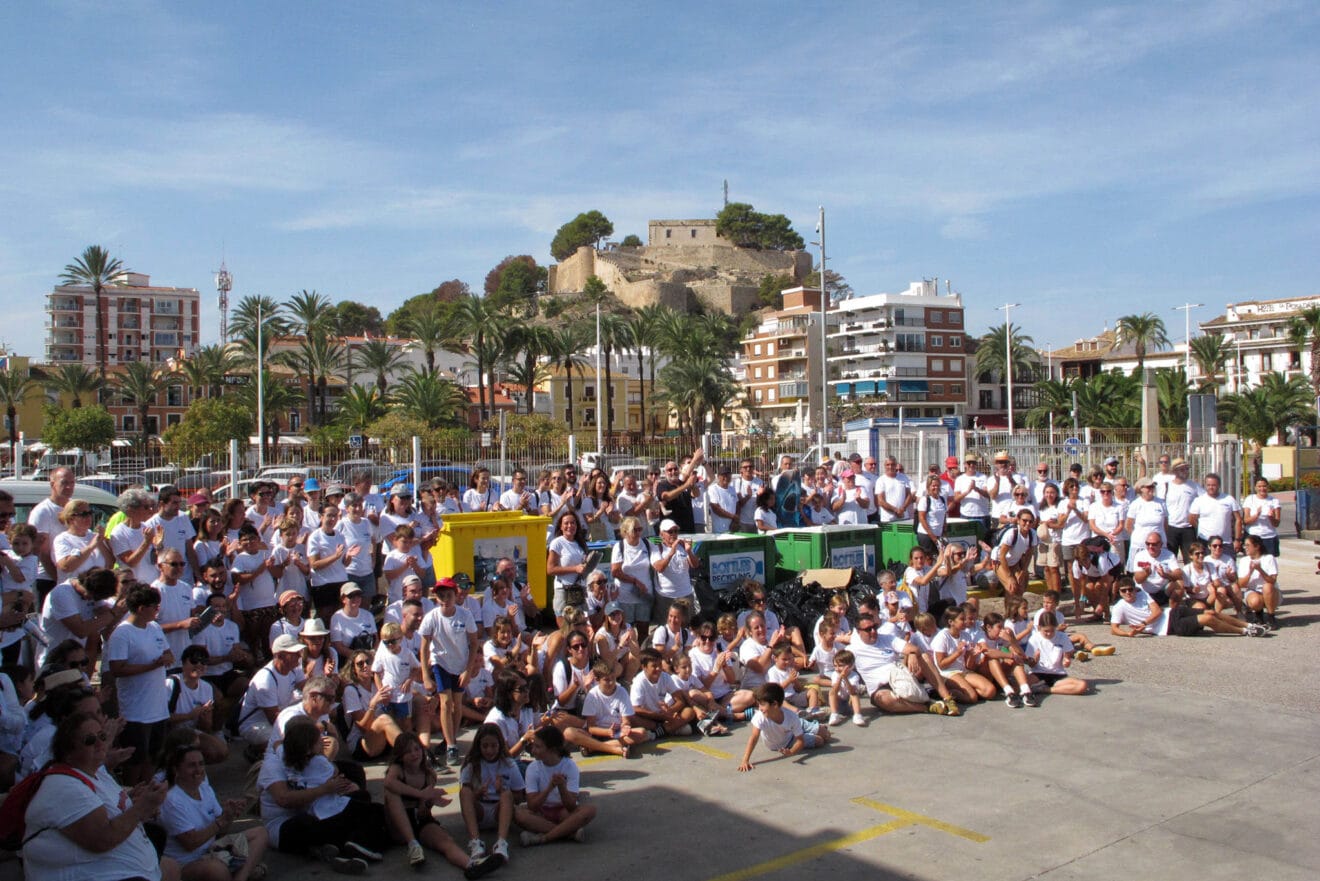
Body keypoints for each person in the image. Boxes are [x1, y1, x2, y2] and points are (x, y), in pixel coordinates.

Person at [21, 711, 179, 881]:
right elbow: (103, 838)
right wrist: (142, 807)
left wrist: (135, 801)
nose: (99, 743)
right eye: (89, 740)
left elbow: (108, 810)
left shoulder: (96, 774)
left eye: (102, 736)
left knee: (170, 867)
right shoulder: (63, 785)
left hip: (126, 870)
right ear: (68, 752)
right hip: (97, 875)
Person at [258, 717, 389, 873]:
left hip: (313, 809)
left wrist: (340, 787)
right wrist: (326, 788)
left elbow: (277, 744)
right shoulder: (274, 766)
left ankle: (339, 847)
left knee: (360, 794)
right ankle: (355, 844)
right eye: (318, 738)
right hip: (285, 825)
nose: (322, 740)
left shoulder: (292, 754)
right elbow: (284, 799)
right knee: (372, 813)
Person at [383, 733, 498, 876]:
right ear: (400, 756)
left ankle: (471, 865)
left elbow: (422, 813)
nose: (414, 754)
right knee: (391, 792)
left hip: (419, 820)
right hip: (397, 826)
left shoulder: (429, 775)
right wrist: (421, 794)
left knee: (445, 841)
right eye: (408, 752)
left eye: (416, 749)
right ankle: (413, 844)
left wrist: (429, 801)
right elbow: (388, 783)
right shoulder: (397, 770)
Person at [160, 744, 268, 881]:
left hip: (212, 849)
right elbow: (190, 843)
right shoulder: (172, 800)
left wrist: (228, 816)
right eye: (191, 766)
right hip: (186, 863)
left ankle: (240, 877)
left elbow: (221, 831)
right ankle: (245, 870)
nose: (198, 770)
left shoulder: (204, 788)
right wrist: (220, 821)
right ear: (177, 770)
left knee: (260, 833)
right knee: (216, 870)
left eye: (201, 764)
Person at [106, 584, 174, 784]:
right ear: (142, 608)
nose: (158, 610)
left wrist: (165, 658)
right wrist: (152, 666)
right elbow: (117, 669)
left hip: (158, 707)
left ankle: (146, 794)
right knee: (134, 759)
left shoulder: (154, 628)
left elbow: (167, 651)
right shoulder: (122, 633)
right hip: (135, 710)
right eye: (155, 606)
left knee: (153, 755)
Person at [420, 578, 481, 768]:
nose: (445, 599)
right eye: (441, 596)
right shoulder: (431, 617)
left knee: (457, 704)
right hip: (441, 663)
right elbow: (424, 648)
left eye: (449, 595)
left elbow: (474, 643)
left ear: (455, 596)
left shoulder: (465, 615)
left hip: (460, 664)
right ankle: (452, 746)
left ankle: (449, 738)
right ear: (436, 598)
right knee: (446, 703)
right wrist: (425, 674)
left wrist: (468, 670)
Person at [513, 726, 596, 847]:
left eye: (538, 747)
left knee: (590, 810)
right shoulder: (533, 768)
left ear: (552, 749)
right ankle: (568, 832)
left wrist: (562, 787)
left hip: (563, 812)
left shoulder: (570, 766)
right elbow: (532, 806)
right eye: (533, 746)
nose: (533, 750)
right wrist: (549, 788)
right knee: (519, 814)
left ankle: (543, 838)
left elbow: (571, 805)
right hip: (541, 813)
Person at [736, 682, 831, 772]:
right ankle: (810, 728)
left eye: (762, 704)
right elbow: (753, 738)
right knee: (820, 741)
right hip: (788, 741)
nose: (760, 708)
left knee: (825, 734)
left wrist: (792, 752)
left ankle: (816, 726)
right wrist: (745, 760)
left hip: (794, 726)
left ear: (775, 704)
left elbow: (800, 740)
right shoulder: (760, 717)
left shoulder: (791, 717)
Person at [649, 518, 699, 627]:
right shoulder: (657, 547)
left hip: (685, 594)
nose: (674, 534)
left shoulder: (682, 546)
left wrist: (689, 551)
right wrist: (671, 553)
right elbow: (659, 567)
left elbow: (695, 565)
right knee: (666, 627)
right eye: (670, 532)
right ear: (662, 534)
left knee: (686, 626)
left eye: (676, 531)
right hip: (666, 596)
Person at [53, 500, 112, 581]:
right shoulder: (62, 539)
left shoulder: (94, 536)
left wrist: (100, 541)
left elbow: (110, 564)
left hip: (97, 589)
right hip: (73, 589)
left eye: (90, 513)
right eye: (84, 514)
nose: (88, 517)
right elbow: (65, 567)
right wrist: (91, 547)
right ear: (71, 518)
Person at [546, 511, 588, 623]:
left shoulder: (580, 543)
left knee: (580, 626)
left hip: (578, 590)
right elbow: (550, 569)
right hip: (563, 591)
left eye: (573, 523)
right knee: (566, 629)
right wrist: (574, 569)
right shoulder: (557, 543)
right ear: (560, 526)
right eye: (566, 523)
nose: (570, 526)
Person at [1189, 473, 1242, 555]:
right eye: (1208, 485)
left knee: (1229, 567)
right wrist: (1201, 528)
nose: (1211, 487)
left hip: (1225, 543)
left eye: (1214, 485)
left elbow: (1238, 519)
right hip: (1205, 543)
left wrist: (1237, 540)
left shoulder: (1229, 499)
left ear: (1219, 485)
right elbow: (1192, 519)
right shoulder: (1199, 500)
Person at [1237, 534, 1281, 629]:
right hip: (1254, 592)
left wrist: (1260, 570)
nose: (1245, 548)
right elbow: (1241, 584)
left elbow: (1273, 581)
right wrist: (1250, 571)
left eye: (1248, 545)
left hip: (1271, 592)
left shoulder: (1269, 558)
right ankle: (1258, 614)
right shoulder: (1244, 561)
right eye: (1245, 545)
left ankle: (1271, 616)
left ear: (1257, 546)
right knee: (1255, 601)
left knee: (1267, 586)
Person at [994, 509, 1039, 599]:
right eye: (1024, 521)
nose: (1027, 524)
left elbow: (1029, 553)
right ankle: (1009, 611)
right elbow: (1002, 556)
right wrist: (1009, 576)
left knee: (1020, 588)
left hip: (1014, 562)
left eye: (1030, 521)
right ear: (1018, 520)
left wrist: (1024, 570)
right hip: (999, 562)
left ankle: (1016, 611)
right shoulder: (1012, 533)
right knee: (1011, 587)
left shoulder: (1032, 534)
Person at [1124, 477, 1167, 571]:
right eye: (1148, 487)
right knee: (1138, 572)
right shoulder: (1135, 504)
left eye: (1152, 486)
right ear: (1141, 489)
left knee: (1160, 570)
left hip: (1159, 545)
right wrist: (1139, 536)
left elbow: (1165, 524)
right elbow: (1128, 526)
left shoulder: (1161, 503)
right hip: (1140, 545)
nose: (1151, 489)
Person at [1242, 477, 1282, 558]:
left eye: (1264, 486)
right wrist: (1256, 515)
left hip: (1269, 536)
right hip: (1253, 535)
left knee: (1268, 561)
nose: (1262, 489)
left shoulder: (1274, 501)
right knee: (1252, 560)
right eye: (1259, 486)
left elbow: (1276, 523)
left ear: (1267, 487)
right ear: (1255, 488)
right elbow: (1246, 520)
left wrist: (1271, 517)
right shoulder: (1250, 499)